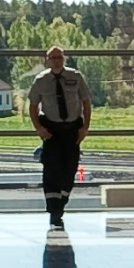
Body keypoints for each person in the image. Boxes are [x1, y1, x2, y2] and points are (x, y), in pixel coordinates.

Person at [26, 45, 92, 225]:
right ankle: (53, 208)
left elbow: (86, 102)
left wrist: (85, 127)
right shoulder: (41, 80)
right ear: (47, 60)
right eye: (53, 57)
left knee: (70, 169)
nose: (57, 60)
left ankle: (62, 201)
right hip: (51, 130)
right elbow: (32, 107)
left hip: (72, 130)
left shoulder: (76, 77)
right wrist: (39, 128)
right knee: (51, 170)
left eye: (59, 57)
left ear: (64, 59)